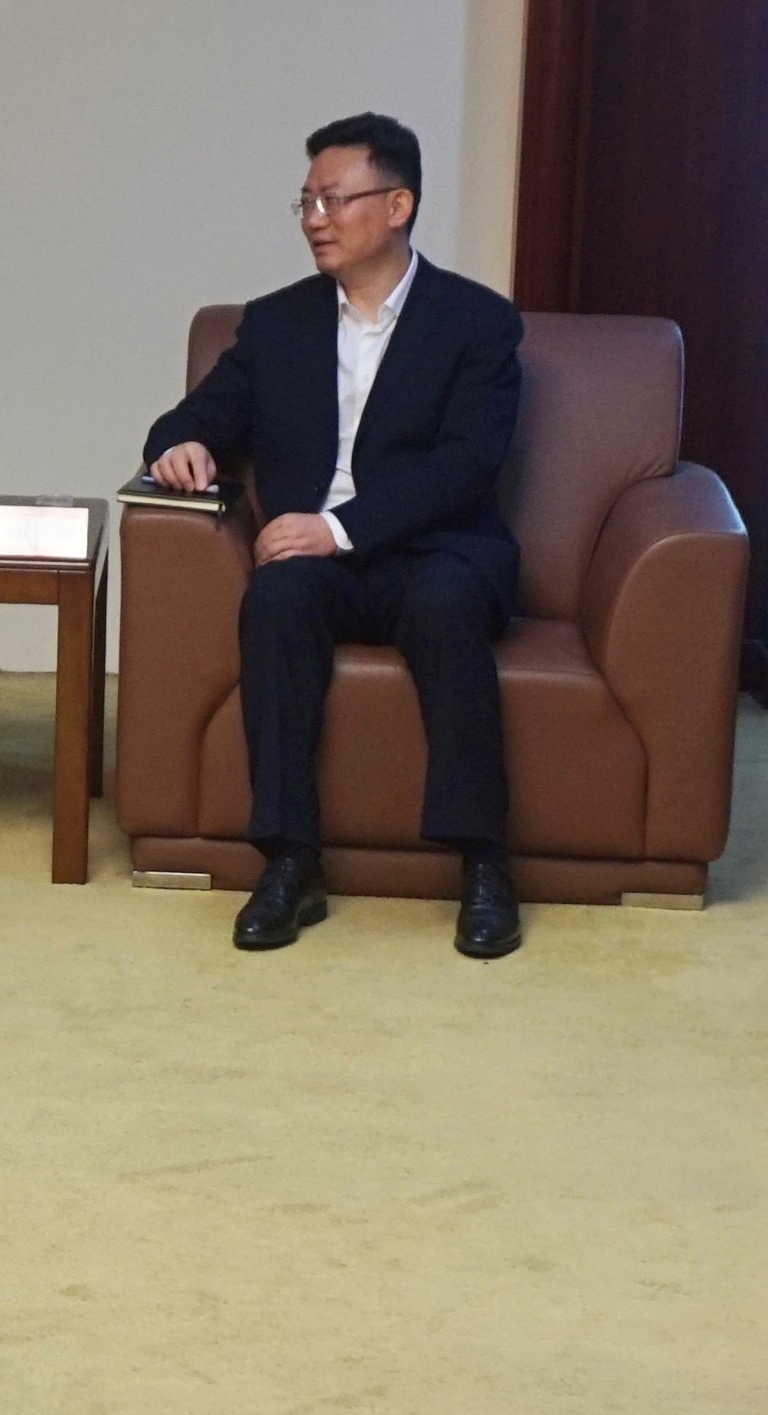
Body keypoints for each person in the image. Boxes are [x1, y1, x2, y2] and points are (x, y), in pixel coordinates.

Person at [142, 111, 531, 960]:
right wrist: (182, 444)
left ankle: (482, 863)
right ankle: (289, 861)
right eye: (306, 202)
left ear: (397, 206)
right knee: (276, 600)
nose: (315, 219)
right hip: (314, 565)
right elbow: (193, 416)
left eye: (333, 199)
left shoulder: (475, 322)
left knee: (444, 605)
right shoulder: (277, 322)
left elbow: (466, 466)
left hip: (436, 551)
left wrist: (337, 527)